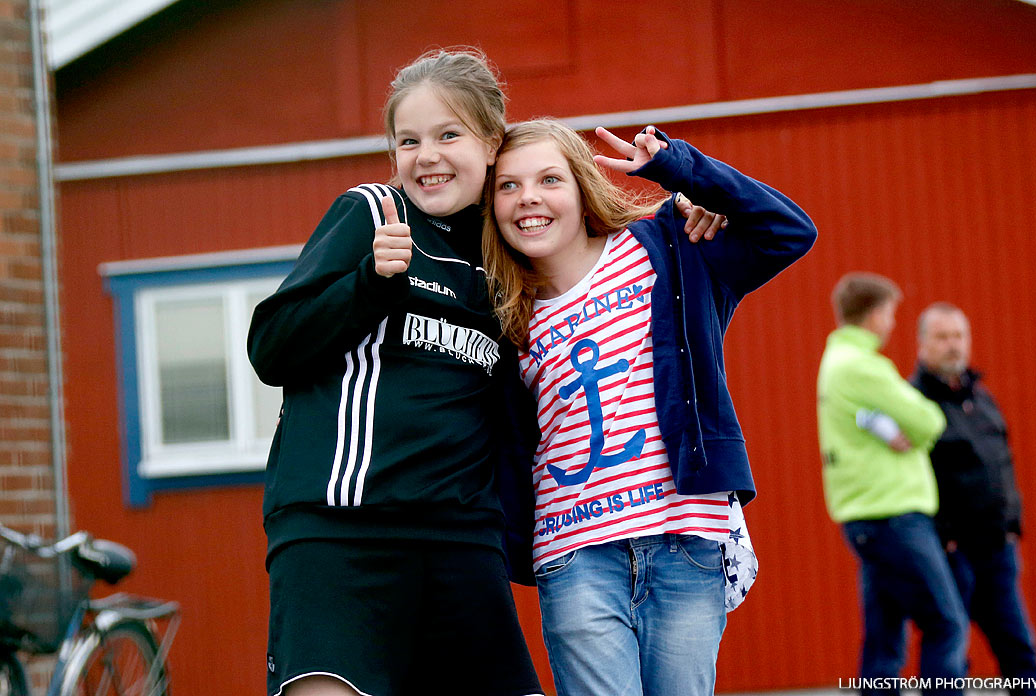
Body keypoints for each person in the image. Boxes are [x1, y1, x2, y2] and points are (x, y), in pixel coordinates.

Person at [247, 48, 544, 696]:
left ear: (491, 141)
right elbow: (271, 348)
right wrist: (370, 283)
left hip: (461, 541)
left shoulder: (511, 253)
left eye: (447, 135)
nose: (426, 155)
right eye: (408, 141)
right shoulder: (373, 213)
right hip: (343, 531)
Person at [483, 118, 817, 696]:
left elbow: (788, 232)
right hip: (574, 554)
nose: (529, 197)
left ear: (583, 186)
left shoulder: (668, 247)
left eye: (549, 179)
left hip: (688, 538)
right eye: (507, 186)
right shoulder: (500, 313)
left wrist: (679, 170)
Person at [816, 273, 968, 695]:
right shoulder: (864, 366)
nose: (893, 323)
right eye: (890, 313)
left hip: (870, 518)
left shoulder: (837, 363)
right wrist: (905, 425)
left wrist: (882, 423)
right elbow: (928, 419)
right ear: (875, 314)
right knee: (946, 623)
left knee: (885, 639)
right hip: (895, 515)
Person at [910, 303, 1036, 695]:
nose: (953, 345)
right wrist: (942, 535)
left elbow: (1003, 463)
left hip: (997, 549)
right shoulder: (913, 403)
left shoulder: (982, 399)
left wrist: (1013, 523)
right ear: (922, 345)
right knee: (949, 653)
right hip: (951, 553)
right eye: (943, 337)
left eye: (959, 336)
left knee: (1019, 650)